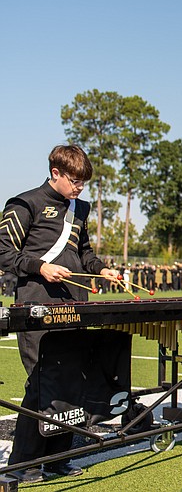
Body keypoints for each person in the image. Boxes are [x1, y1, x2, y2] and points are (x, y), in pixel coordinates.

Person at [0, 144, 118, 482]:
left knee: (72, 383)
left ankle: (58, 459)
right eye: (75, 181)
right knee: (41, 384)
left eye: (84, 182)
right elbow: (3, 252)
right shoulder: (25, 204)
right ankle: (23, 464)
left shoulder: (79, 209)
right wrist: (40, 267)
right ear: (55, 173)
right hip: (37, 304)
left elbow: (83, 251)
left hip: (75, 303)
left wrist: (102, 269)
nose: (80, 188)